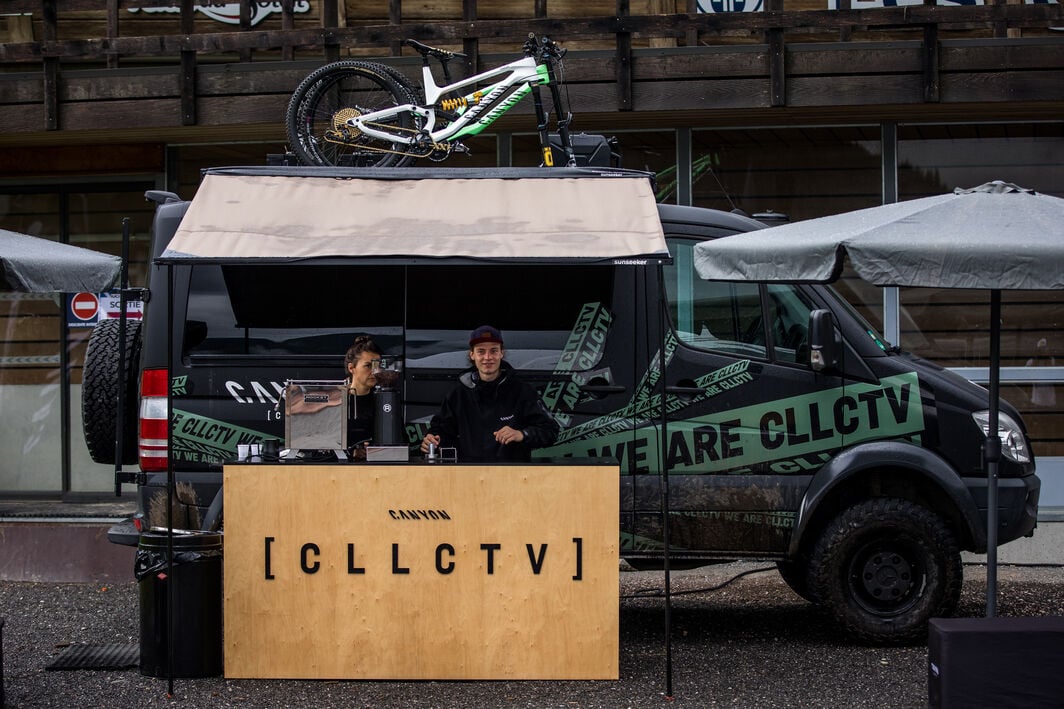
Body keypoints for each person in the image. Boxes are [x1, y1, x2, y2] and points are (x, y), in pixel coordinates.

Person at [420, 325, 559, 463]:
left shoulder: (522, 391)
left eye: (493, 351)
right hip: (468, 476)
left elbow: (550, 431)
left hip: (512, 476)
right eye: (481, 351)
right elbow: (442, 430)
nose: (488, 357)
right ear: (472, 355)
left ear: (501, 353)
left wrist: (521, 434)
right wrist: (432, 438)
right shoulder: (457, 394)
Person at [344, 335, 383, 448]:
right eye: (368, 366)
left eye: (377, 366)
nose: (375, 371)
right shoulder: (336, 399)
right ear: (351, 368)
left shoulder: (383, 400)